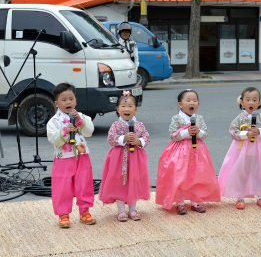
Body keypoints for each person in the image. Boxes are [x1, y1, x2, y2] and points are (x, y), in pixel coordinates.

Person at [218, 87, 261, 210]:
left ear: (259, 103)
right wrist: (245, 134)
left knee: (258, 171)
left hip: (258, 148)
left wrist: (259, 131)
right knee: (241, 171)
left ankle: (260, 195)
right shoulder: (239, 118)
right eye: (248, 100)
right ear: (242, 102)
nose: (251, 103)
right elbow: (233, 132)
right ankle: (240, 196)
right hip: (242, 148)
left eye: (254, 100)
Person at [156, 89, 220, 215]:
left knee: (197, 175)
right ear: (180, 104)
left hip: (198, 151)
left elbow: (205, 134)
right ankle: (179, 202)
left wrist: (199, 132)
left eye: (195, 100)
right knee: (179, 176)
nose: (192, 103)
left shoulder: (199, 118)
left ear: (198, 104)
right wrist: (186, 133)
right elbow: (173, 134)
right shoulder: (177, 118)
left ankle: (196, 201)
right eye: (188, 100)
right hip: (181, 151)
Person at [46, 83, 96, 228]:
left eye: (71, 99)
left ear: (75, 100)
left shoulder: (81, 116)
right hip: (63, 158)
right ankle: (63, 214)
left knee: (84, 184)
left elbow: (89, 132)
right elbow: (53, 139)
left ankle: (85, 211)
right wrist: (64, 131)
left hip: (82, 155)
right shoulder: (54, 122)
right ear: (56, 103)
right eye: (64, 100)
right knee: (62, 187)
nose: (68, 102)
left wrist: (81, 122)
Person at [98, 91, 151, 221]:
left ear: (135, 109)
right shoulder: (116, 125)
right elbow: (111, 139)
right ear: (118, 109)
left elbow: (146, 137)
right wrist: (123, 138)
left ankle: (133, 208)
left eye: (130, 106)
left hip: (135, 158)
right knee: (119, 181)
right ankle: (121, 209)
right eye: (123, 106)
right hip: (119, 158)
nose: (126, 109)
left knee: (134, 180)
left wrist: (139, 141)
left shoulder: (139, 125)